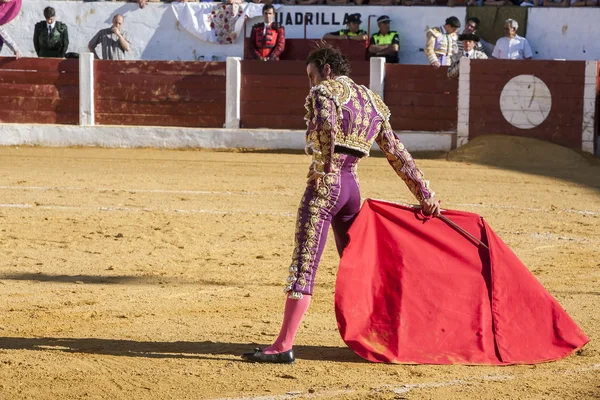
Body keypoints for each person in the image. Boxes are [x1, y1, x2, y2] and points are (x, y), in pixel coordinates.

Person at [242, 45, 440, 364]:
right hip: (352, 190)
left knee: (305, 264)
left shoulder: (325, 92)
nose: (311, 84)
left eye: (312, 76)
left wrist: (322, 169)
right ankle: (388, 335)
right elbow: (397, 153)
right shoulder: (374, 101)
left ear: (326, 69)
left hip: (328, 184)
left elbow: (325, 131)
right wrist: (424, 194)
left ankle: (283, 345)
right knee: (360, 268)